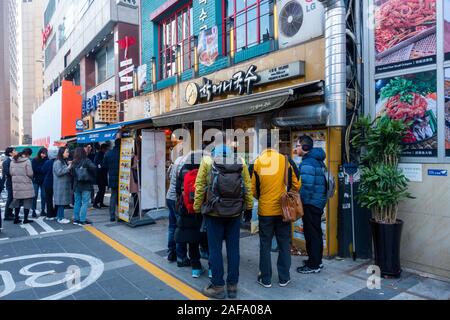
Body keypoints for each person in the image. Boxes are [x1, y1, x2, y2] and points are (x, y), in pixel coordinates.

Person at [193, 138, 253, 300]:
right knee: (234, 249)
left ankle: (218, 286)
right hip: (234, 213)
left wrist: (197, 208)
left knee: (215, 250)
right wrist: (249, 207)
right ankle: (232, 286)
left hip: (214, 212)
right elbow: (247, 186)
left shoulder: (207, 161)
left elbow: (199, 186)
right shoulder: (241, 161)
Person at [252, 137, 300, 288]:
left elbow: (253, 188)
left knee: (265, 244)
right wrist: (287, 196)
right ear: (276, 145)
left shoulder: (258, 162)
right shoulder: (285, 161)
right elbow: (297, 184)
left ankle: (265, 278)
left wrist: (263, 198)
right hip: (283, 210)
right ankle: (284, 278)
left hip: (265, 211)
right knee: (284, 243)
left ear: (261, 146)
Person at [295, 135, 327, 274]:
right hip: (318, 201)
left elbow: (306, 187)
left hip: (310, 203)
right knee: (316, 232)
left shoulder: (308, 162)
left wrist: (300, 203)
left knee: (311, 233)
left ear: (305, 147)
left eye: (297, 145)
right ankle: (316, 261)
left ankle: (313, 265)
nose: (296, 148)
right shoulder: (317, 160)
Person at [175, 151, 208, 278]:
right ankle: (212, 269)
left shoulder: (183, 171)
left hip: (187, 211)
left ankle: (196, 268)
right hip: (203, 211)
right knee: (207, 240)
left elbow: (178, 190)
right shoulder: (204, 172)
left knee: (192, 241)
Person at [165, 153, 188, 265]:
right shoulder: (186, 162)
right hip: (177, 200)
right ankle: (181, 257)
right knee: (181, 228)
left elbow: (169, 177)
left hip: (169, 196)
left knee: (172, 227)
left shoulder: (177, 160)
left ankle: (171, 253)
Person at [71, 147, 97, 226]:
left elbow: (72, 174)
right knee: (85, 202)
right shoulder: (86, 161)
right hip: (86, 185)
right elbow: (94, 167)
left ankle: (76, 219)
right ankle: (82, 220)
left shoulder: (73, 162)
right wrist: (90, 175)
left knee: (77, 202)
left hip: (76, 185)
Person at [9, 148, 35, 224]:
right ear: (29, 154)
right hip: (26, 184)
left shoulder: (13, 161)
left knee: (17, 202)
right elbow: (30, 173)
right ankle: (25, 219)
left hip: (16, 185)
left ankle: (16, 218)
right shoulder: (27, 161)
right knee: (27, 202)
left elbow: (11, 173)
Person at [53, 147, 73, 224]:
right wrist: (68, 167)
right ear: (62, 153)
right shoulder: (58, 162)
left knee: (61, 202)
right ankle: (60, 218)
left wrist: (68, 165)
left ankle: (60, 217)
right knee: (61, 202)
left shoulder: (62, 161)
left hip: (62, 185)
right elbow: (59, 172)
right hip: (60, 185)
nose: (68, 153)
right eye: (67, 152)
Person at [103, 139, 121, 222]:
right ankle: (122, 215)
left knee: (113, 196)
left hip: (112, 177)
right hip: (122, 177)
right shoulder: (123, 153)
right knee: (122, 196)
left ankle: (112, 216)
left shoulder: (108, 153)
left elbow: (104, 166)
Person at [31, 147, 49, 218]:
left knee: (44, 196)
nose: (43, 155)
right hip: (36, 180)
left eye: (45, 154)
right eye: (42, 153)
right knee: (34, 196)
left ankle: (43, 210)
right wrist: (42, 169)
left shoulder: (47, 160)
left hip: (44, 180)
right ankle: (33, 210)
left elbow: (45, 169)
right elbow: (34, 169)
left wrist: (40, 169)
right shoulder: (34, 160)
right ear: (40, 153)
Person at [2, 147, 17, 221]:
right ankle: (6, 215)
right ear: (10, 153)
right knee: (10, 198)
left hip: (14, 182)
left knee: (13, 199)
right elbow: (7, 173)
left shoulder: (14, 160)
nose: (16, 151)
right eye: (14, 151)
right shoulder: (6, 162)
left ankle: (10, 213)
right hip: (10, 183)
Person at [93, 143, 109, 209]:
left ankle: (101, 203)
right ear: (103, 149)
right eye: (106, 149)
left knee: (103, 189)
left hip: (103, 175)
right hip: (100, 175)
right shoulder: (99, 155)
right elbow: (99, 165)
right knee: (101, 190)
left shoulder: (102, 154)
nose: (107, 150)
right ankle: (95, 203)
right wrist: (104, 166)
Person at [42, 150, 57, 221]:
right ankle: (56, 213)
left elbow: (43, 170)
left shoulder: (47, 162)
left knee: (49, 199)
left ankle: (49, 214)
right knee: (57, 199)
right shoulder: (58, 162)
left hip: (48, 182)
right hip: (56, 183)